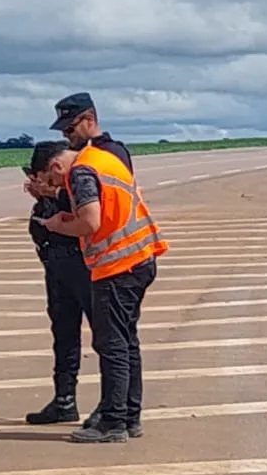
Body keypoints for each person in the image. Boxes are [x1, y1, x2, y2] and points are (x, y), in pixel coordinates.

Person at [32, 142, 168, 444]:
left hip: (118, 266)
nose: (56, 187)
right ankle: (130, 416)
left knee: (113, 346)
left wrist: (57, 225)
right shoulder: (102, 160)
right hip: (139, 258)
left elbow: (90, 222)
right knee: (127, 343)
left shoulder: (81, 172)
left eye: (52, 181)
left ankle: (112, 421)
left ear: (54, 167)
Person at [22, 140, 98, 427]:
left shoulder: (77, 182)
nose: (36, 183)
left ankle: (112, 404)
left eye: (40, 178)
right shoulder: (55, 193)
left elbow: (80, 217)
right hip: (57, 267)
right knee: (63, 334)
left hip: (81, 265)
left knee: (104, 336)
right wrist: (43, 198)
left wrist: (53, 194)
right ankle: (64, 399)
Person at [51, 92, 134, 172]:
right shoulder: (76, 152)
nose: (64, 135)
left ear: (89, 120)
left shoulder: (111, 152)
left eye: (69, 129)